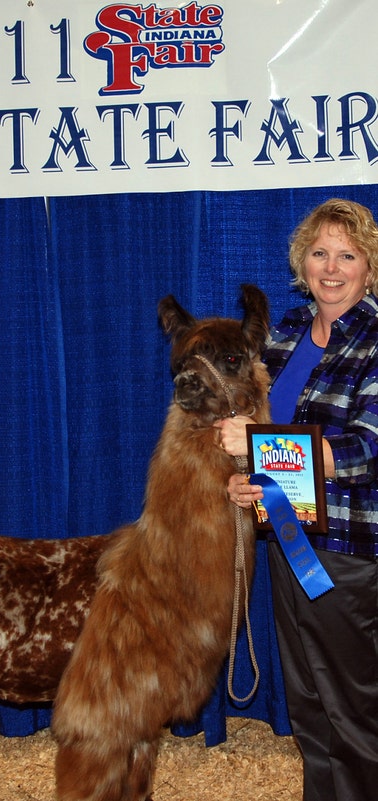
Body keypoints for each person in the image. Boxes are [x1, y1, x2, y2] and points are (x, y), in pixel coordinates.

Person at [215, 198, 378, 801]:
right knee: (309, 701)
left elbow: (365, 450)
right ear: (301, 262)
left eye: (348, 255)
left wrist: (259, 448)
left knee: (354, 709)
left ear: (369, 268)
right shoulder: (284, 333)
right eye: (319, 253)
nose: (331, 268)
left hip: (348, 550)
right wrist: (244, 480)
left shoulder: (377, 339)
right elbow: (266, 440)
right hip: (286, 537)